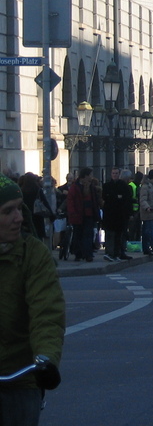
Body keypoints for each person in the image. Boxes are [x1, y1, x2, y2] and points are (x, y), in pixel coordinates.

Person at [0, 175, 64, 423]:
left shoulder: (32, 254)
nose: (18, 217)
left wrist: (45, 358)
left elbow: (46, 312)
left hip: (19, 378)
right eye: (7, 211)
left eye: (19, 208)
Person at [65, 168, 100, 262]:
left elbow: (94, 200)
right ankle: (78, 253)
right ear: (85, 176)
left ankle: (88, 254)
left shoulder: (91, 186)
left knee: (88, 235)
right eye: (90, 175)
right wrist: (72, 213)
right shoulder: (75, 186)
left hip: (89, 215)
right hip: (78, 214)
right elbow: (70, 201)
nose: (91, 177)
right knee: (78, 235)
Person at [101, 168, 133, 262]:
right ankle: (109, 253)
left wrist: (129, 213)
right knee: (110, 234)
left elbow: (127, 200)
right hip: (109, 215)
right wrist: (116, 197)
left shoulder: (123, 186)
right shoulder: (107, 185)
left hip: (120, 215)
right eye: (113, 173)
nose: (114, 175)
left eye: (116, 173)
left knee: (118, 235)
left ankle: (117, 253)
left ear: (119, 174)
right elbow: (105, 198)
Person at [138, 170, 153, 256]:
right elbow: (143, 199)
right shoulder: (145, 186)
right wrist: (147, 207)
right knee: (147, 232)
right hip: (148, 212)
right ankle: (148, 247)